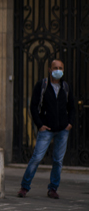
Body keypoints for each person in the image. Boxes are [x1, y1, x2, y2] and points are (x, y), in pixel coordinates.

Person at [17, 59, 76, 199]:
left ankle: (53, 189)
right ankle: (24, 187)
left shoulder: (65, 87)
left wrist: (70, 123)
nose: (58, 70)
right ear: (49, 69)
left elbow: (72, 107)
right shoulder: (42, 85)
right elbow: (33, 106)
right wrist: (39, 125)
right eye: (55, 67)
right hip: (46, 129)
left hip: (62, 130)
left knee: (58, 161)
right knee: (36, 158)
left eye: (60, 68)